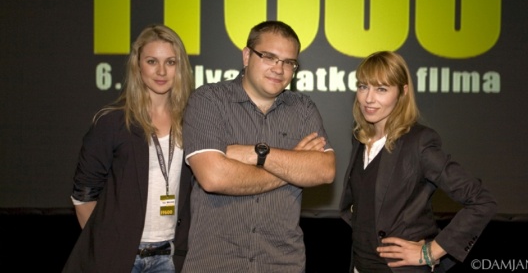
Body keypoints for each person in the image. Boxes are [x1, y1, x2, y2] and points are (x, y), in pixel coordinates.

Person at [181, 20, 336, 272]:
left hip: (282, 263)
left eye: (288, 62)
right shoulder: (209, 100)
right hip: (216, 262)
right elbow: (213, 177)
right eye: (269, 57)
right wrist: (293, 165)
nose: (279, 68)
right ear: (246, 56)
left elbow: (325, 170)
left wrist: (258, 154)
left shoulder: (303, 109)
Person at [339, 51, 497, 273]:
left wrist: (431, 252)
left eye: (381, 89)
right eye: (363, 86)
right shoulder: (360, 139)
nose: (369, 98)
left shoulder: (418, 142)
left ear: (402, 92)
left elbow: (482, 201)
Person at [63, 24, 194, 273]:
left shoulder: (193, 122)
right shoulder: (112, 122)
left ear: (180, 67)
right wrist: (106, 244)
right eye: (152, 61)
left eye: (171, 62)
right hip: (119, 259)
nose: (161, 71)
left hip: (170, 257)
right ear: (137, 65)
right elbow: (83, 195)